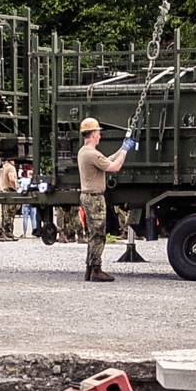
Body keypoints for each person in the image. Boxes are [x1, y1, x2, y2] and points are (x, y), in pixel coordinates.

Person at [75, 118, 132, 282]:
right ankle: (96, 269)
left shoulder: (85, 152)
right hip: (94, 198)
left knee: (93, 233)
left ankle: (90, 268)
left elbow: (106, 160)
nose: (100, 135)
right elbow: (114, 167)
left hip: (88, 196)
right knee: (98, 234)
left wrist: (122, 148)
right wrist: (126, 151)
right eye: (98, 132)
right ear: (93, 134)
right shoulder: (91, 153)